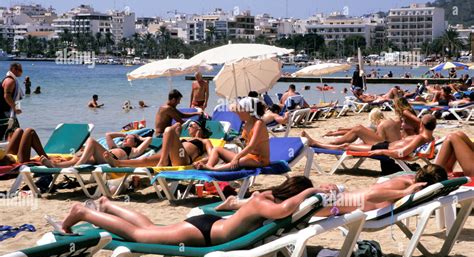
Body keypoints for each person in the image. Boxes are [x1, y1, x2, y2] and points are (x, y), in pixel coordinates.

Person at [48, 176, 323, 245]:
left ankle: (107, 205)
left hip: (210, 227)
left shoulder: (268, 197)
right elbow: (284, 209)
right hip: (204, 233)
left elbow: (287, 207)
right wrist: (310, 191)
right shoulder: (267, 201)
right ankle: (82, 212)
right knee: (140, 236)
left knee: (150, 229)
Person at [311, 164, 447, 216]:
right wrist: (405, 193)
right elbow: (371, 195)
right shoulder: (404, 186)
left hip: (337, 202)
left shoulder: (410, 184)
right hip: (331, 203)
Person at [195, 97, 270, 171]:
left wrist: (236, 158)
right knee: (216, 149)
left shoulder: (259, 123)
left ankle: (213, 169)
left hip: (260, 159)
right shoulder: (246, 123)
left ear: (248, 111)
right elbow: (232, 108)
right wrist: (205, 160)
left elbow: (251, 146)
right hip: (249, 156)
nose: (237, 113)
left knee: (242, 161)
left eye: (239, 110)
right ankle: (208, 166)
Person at [104, 119, 213, 168]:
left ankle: (163, 161)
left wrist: (202, 162)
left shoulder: (205, 141)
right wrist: (178, 124)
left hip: (184, 158)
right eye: (188, 126)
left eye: (191, 125)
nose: (188, 127)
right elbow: (176, 128)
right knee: (144, 160)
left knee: (168, 130)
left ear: (199, 128)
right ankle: (118, 163)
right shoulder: (184, 138)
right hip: (171, 156)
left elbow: (212, 155)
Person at [40, 133, 152, 168]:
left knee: (91, 141)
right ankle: (56, 166)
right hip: (103, 157)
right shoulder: (115, 147)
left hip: (114, 160)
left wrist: (139, 137)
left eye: (129, 139)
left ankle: (78, 165)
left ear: (135, 142)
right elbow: (108, 135)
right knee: (78, 158)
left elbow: (149, 139)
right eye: (125, 138)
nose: (125, 139)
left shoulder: (134, 150)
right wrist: (125, 134)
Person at [302, 108, 401, 147]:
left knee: (358, 128)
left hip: (388, 147)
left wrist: (364, 138)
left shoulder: (381, 125)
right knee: (357, 129)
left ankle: (322, 143)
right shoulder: (390, 121)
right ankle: (323, 143)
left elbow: (381, 141)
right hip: (393, 145)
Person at [0, 63, 24, 141]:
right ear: (13, 69)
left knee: (13, 133)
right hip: (4, 113)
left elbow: (14, 98)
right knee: (16, 133)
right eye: (20, 70)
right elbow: (7, 96)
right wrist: (15, 108)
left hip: (7, 112)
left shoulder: (12, 80)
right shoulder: (10, 81)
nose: (21, 72)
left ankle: (9, 150)